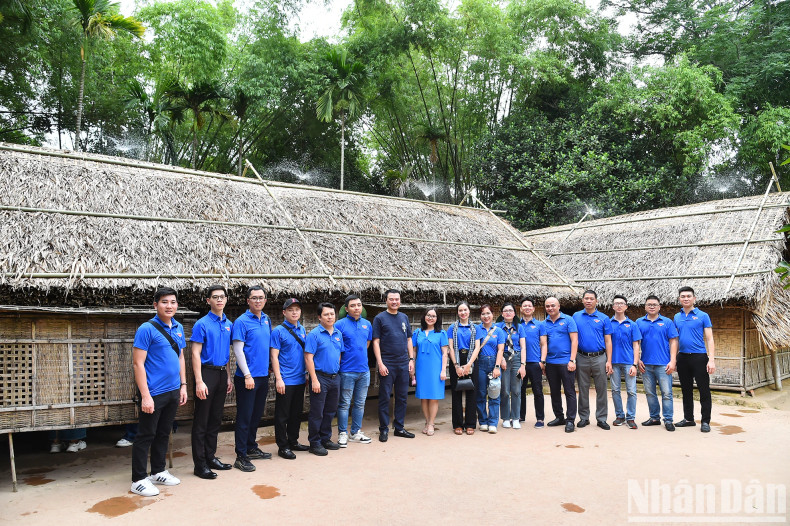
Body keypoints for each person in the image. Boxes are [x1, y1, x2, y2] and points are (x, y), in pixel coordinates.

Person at [130, 287, 188, 497]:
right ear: (155, 305)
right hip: (154, 391)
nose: (169, 306)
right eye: (164, 302)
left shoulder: (179, 327)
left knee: (164, 432)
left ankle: (157, 471)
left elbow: (181, 357)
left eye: (173, 302)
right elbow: (138, 364)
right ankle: (138, 479)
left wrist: (183, 385)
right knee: (146, 434)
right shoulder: (146, 329)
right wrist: (145, 395)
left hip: (173, 390)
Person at [190, 285, 234, 480]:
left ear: (226, 300)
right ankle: (199, 464)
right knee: (202, 421)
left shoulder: (229, 324)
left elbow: (227, 354)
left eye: (222, 297)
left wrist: (229, 376)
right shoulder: (201, 324)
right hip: (206, 374)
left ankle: (211, 457)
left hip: (221, 374)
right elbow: (195, 353)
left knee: (216, 419)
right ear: (208, 300)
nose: (219, 300)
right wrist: (199, 381)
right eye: (215, 297)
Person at [231, 286, 274, 473]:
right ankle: (241, 455)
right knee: (244, 417)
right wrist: (247, 375)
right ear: (247, 300)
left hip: (263, 376)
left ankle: (251, 446)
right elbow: (238, 350)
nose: (258, 301)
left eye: (261, 298)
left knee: (256, 415)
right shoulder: (241, 321)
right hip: (247, 378)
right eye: (254, 298)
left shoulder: (266, 319)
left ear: (265, 300)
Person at [372, 289, 416, 442]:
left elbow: (409, 340)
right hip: (387, 364)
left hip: (403, 363)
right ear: (386, 301)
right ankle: (383, 429)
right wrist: (380, 363)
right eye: (391, 299)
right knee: (384, 397)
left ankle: (399, 427)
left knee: (402, 397)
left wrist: (411, 359)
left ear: (400, 300)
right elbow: (376, 342)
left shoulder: (404, 317)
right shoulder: (379, 318)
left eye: (397, 299)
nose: (394, 302)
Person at [271, 298, 309, 459]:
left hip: (300, 379)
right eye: (291, 309)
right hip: (285, 379)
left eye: (297, 309)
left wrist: (306, 373)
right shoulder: (278, 331)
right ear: (284, 312)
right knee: (282, 415)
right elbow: (274, 356)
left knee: (296, 413)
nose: (294, 312)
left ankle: (293, 441)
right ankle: (283, 446)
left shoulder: (302, 329)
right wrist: (278, 378)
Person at [674, 286, 716, 433]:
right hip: (683, 358)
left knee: (704, 390)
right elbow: (676, 340)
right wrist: (673, 359)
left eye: (688, 296)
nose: (686, 298)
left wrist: (711, 360)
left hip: (699, 357)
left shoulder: (703, 316)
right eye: (683, 296)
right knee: (686, 390)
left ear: (694, 298)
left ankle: (705, 421)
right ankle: (688, 419)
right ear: (679, 299)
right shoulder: (677, 317)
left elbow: (710, 339)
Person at [304, 303, 344, 456]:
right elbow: (308, 357)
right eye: (326, 314)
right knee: (317, 412)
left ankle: (325, 438)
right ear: (319, 317)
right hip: (320, 377)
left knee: (330, 411)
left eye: (332, 314)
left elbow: (339, 353)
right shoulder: (314, 334)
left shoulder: (338, 334)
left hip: (335, 377)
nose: (330, 317)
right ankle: (314, 443)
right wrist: (314, 379)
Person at [334, 294, 373, 447]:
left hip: (364, 371)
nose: (356, 308)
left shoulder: (367, 324)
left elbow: (367, 343)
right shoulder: (339, 325)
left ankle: (355, 432)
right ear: (346, 308)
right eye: (353, 305)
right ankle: (342, 433)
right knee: (344, 404)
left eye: (358, 305)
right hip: (346, 371)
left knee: (360, 403)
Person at [636, 295, 678, 432]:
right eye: (649, 304)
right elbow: (635, 343)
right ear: (645, 307)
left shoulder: (667, 322)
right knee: (650, 392)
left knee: (667, 393)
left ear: (659, 307)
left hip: (663, 364)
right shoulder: (639, 322)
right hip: (646, 365)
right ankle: (654, 417)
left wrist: (672, 361)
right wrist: (637, 360)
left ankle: (668, 419)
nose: (652, 306)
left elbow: (673, 341)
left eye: (654, 304)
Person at [572, 290, 613, 430]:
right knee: (582, 389)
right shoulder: (576, 316)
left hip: (600, 357)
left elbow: (608, 341)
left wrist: (609, 361)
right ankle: (584, 417)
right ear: (582, 300)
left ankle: (601, 418)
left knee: (601, 389)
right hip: (581, 357)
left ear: (596, 301)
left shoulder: (603, 318)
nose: (589, 301)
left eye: (591, 299)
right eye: (586, 298)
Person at [540, 297, 578, 433]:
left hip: (566, 362)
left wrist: (572, 360)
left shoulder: (568, 320)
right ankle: (559, 417)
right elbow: (543, 344)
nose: (550, 308)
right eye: (547, 306)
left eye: (552, 306)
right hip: (551, 363)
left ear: (559, 306)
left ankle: (570, 420)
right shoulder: (544, 324)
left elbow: (574, 341)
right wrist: (543, 362)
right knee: (554, 392)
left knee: (569, 391)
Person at [412, 307, 448, 436]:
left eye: (433, 316)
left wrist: (443, 370)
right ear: (424, 317)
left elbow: (445, 353)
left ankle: (432, 423)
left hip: (435, 368)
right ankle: (427, 422)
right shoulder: (417, 332)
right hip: (421, 368)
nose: (430, 318)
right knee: (423, 397)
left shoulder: (441, 333)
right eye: (428, 315)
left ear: (437, 318)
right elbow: (414, 351)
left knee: (433, 397)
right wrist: (412, 365)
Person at [609, 295, 642, 429]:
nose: (619, 306)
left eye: (622, 303)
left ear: (626, 307)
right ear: (612, 306)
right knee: (615, 390)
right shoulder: (609, 323)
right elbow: (607, 343)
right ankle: (619, 415)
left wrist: (635, 364)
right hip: (614, 362)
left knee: (631, 391)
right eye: (616, 303)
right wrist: (608, 362)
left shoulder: (632, 325)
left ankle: (631, 417)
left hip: (629, 362)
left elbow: (636, 345)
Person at [447, 301, 478, 435]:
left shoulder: (475, 328)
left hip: (471, 360)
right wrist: (456, 366)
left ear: (469, 311)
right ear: (457, 312)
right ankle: (458, 424)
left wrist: (469, 364)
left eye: (465, 310)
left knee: (472, 392)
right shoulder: (452, 328)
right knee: (456, 392)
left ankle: (470, 424)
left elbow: (477, 347)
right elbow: (451, 348)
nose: (463, 312)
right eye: (460, 310)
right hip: (457, 359)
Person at [475, 304, 505, 433]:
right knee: (481, 394)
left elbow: (501, 350)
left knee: (494, 393)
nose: (486, 316)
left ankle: (493, 422)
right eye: (483, 314)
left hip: (494, 362)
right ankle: (483, 421)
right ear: (480, 316)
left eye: (488, 313)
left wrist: (497, 367)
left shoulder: (498, 331)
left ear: (493, 315)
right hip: (480, 363)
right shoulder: (477, 329)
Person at [496, 303, 526, 429]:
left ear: (514, 313)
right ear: (502, 314)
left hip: (517, 359)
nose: (508, 313)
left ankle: (515, 417)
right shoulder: (497, 327)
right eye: (505, 311)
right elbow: (496, 346)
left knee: (517, 390)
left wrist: (523, 365)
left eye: (510, 310)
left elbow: (523, 347)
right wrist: (501, 359)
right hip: (503, 359)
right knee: (504, 391)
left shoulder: (519, 327)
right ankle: (506, 418)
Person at [518, 297, 545, 428]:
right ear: (521, 309)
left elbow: (544, 344)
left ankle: (540, 418)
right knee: (519, 390)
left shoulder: (540, 325)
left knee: (538, 391)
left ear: (533, 309)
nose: (527, 308)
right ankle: (520, 415)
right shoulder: (517, 325)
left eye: (529, 306)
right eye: (524, 306)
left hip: (535, 363)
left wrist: (542, 361)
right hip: (520, 363)